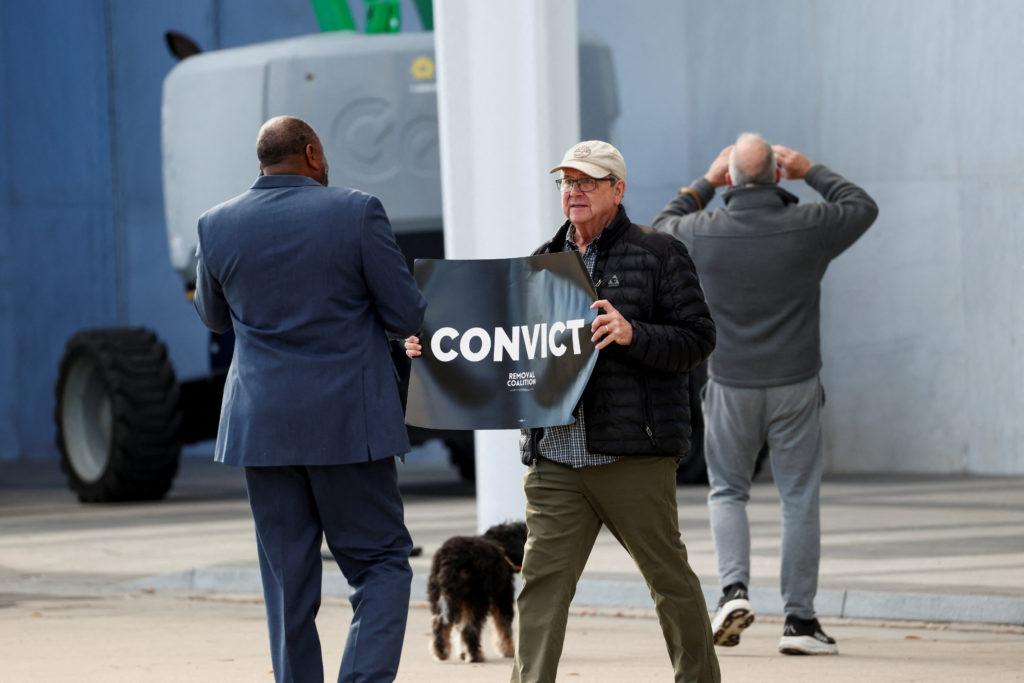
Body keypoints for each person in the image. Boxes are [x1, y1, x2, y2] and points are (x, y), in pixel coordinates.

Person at [407, 140, 720, 683]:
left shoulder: (659, 253)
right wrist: (434, 350)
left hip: (631, 454)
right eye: (567, 182)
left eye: (588, 182)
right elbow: (505, 348)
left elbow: (698, 339)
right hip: (555, 457)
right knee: (540, 587)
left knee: (669, 581)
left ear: (618, 190)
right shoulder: (541, 261)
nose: (574, 191)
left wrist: (633, 333)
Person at [194, 115, 426, 683]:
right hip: (349, 424)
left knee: (287, 587)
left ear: (261, 161)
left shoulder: (215, 224)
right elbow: (405, 313)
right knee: (381, 564)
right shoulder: (357, 211)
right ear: (313, 153)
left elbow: (215, 319)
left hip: (261, 429)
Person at [652, 132, 879, 656]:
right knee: (798, 497)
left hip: (730, 383)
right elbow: (862, 206)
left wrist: (706, 183)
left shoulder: (703, 230)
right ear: (778, 174)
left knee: (728, 491)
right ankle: (799, 622)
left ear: (731, 177)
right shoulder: (810, 225)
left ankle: (733, 591)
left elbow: (662, 225)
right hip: (796, 382)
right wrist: (812, 169)